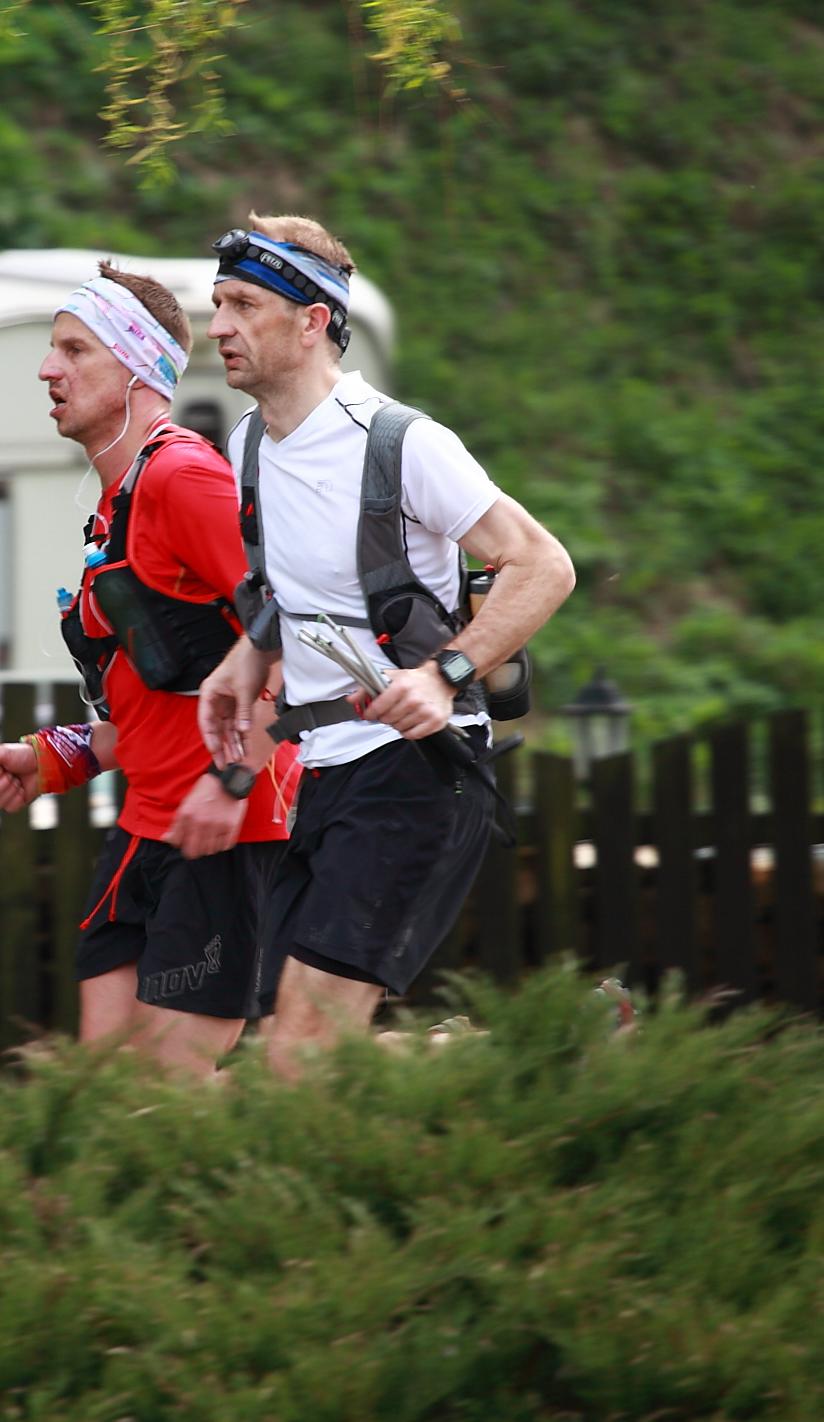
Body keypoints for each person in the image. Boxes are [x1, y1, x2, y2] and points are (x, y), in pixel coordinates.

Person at [195, 215, 576, 1074]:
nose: (218, 326)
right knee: (300, 1056)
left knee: (300, 1054)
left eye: (244, 304)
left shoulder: (401, 443)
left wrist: (445, 673)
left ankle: (557, 1052)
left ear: (311, 322)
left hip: (420, 773)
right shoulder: (246, 445)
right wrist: (245, 659)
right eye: (219, 304)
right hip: (324, 774)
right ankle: (547, 1052)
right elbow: (295, 597)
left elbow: (543, 565)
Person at [0, 262, 294, 1075]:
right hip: (147, 827)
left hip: (226, 827)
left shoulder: (183, 477)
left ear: (138, 367)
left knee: (166, 1098)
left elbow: (294, 632)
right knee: (106, 1088)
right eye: (53, 350)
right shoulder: (115, 507)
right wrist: (61, 756)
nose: (48, 370)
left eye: (75, 350)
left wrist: (231, 783)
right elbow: (166, 696)